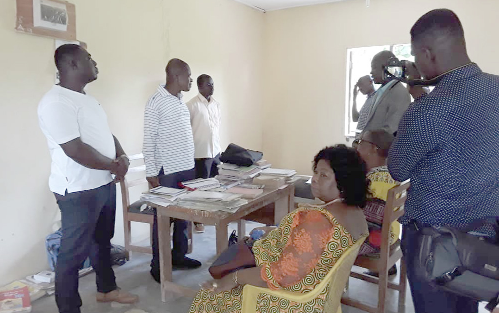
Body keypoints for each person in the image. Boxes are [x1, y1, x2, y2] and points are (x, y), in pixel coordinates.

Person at [388, 9, 499, 313]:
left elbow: (397, 169)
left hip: (433, 246)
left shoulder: (427, 111)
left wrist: (417, 102)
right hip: (484, 242)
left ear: (427, 53)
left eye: (416, 56)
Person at [189, 145, 369, 313]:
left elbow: (283, 275)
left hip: (294, 301)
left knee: (210, 295)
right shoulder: (354, 213)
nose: (314, 179)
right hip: (318, 290)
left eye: (324, 175)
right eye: (316, 172)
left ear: (345, 182)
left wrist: (234, 278)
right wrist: (276, 232)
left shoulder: (318, 220)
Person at [37, 44, 138, 313]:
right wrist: (115, 166)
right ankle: (69, 308)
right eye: (88, 58)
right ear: (71, 64)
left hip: (103, 183)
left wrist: (122, 156)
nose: (94, 62)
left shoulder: (87, 99)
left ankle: (106, 289)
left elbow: (106, 135)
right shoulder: (56, 102)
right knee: (72, 255)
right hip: (78, 190)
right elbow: (75, 149)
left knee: (102, 241)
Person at [143, 58, 201, 283]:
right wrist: (151, 172)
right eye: (188, 76)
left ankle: (179, 256)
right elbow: (149, 139)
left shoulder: (179, 101)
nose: (191, 80)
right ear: (176, 77)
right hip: (167, 170)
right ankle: (158, 264)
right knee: (163, 219)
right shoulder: (156, 102)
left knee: (184, 216)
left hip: (186, 167)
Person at [354, 130, 399, 276]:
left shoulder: (369, 181)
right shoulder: (395, 176)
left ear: (374, 148)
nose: (357, 146)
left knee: (327, 240)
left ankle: (331, 285)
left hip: (375, 240)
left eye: (361, 142)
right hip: (392, 235)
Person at [186, 74, 222, 233]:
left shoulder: (216, 104)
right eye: (208, 84)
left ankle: (210, 215)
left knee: (213, 185)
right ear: (200, 86)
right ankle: (197, 221)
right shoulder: (191, 105)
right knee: (199, 189)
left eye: (213, 84)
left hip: (215, 151)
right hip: (200, 153)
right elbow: (187, 132)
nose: (212, 87)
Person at [363, 50, 411, 135]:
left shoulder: (399, 93)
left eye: (374, 67)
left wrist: (369, 143)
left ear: (386, 69)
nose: (371, 72)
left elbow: (391, 130)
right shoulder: (379, 92)